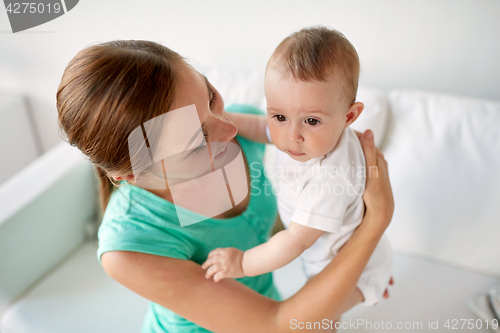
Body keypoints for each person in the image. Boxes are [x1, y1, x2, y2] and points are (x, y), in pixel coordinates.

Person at [56, 39, 394, 333]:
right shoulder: (130, 247)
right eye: (196, 140)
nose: (228, 130)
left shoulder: (243, 129)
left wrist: (348, 264)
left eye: (211, 97)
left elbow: (268, 223)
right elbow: (277, 326)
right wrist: (377, 219)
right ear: (134, 175)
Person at [202, 26, 393, 314]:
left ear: (349, 116)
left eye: (312, 121)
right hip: (337, 251)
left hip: (351, 266)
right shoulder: (305, 135)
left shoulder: (332, 177)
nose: (292, 136)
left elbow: (295, 241)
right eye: (279, 116)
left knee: (316, 319)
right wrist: (219, 120)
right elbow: (258, 127)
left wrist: (242, 263)